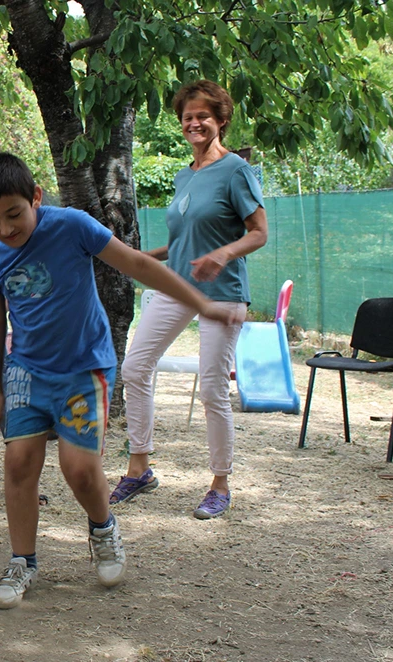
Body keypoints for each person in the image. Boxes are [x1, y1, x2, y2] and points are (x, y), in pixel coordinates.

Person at [0, 152, 243, 610]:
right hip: (26, 371)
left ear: (36, 197)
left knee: (78, 471)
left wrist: (203, 304)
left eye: (14, 214)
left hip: (84, 367)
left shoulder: (72, 225)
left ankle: (103, 527)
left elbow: (136, 265)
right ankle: (22, 562)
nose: (5, 229)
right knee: (18, 463)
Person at [114, 80, 268, 520]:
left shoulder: (236, 170)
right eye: (187, 116)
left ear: (220, 120)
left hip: (222, 292)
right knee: (135, 366)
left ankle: (220, 482)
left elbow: (259, 232)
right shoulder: (186, 174)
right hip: (175, 286)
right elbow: (184, 240)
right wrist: (145, 256)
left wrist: (223, 253)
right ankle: (139, 466)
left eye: (203, 116)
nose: (194, 122)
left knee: (213, 388)